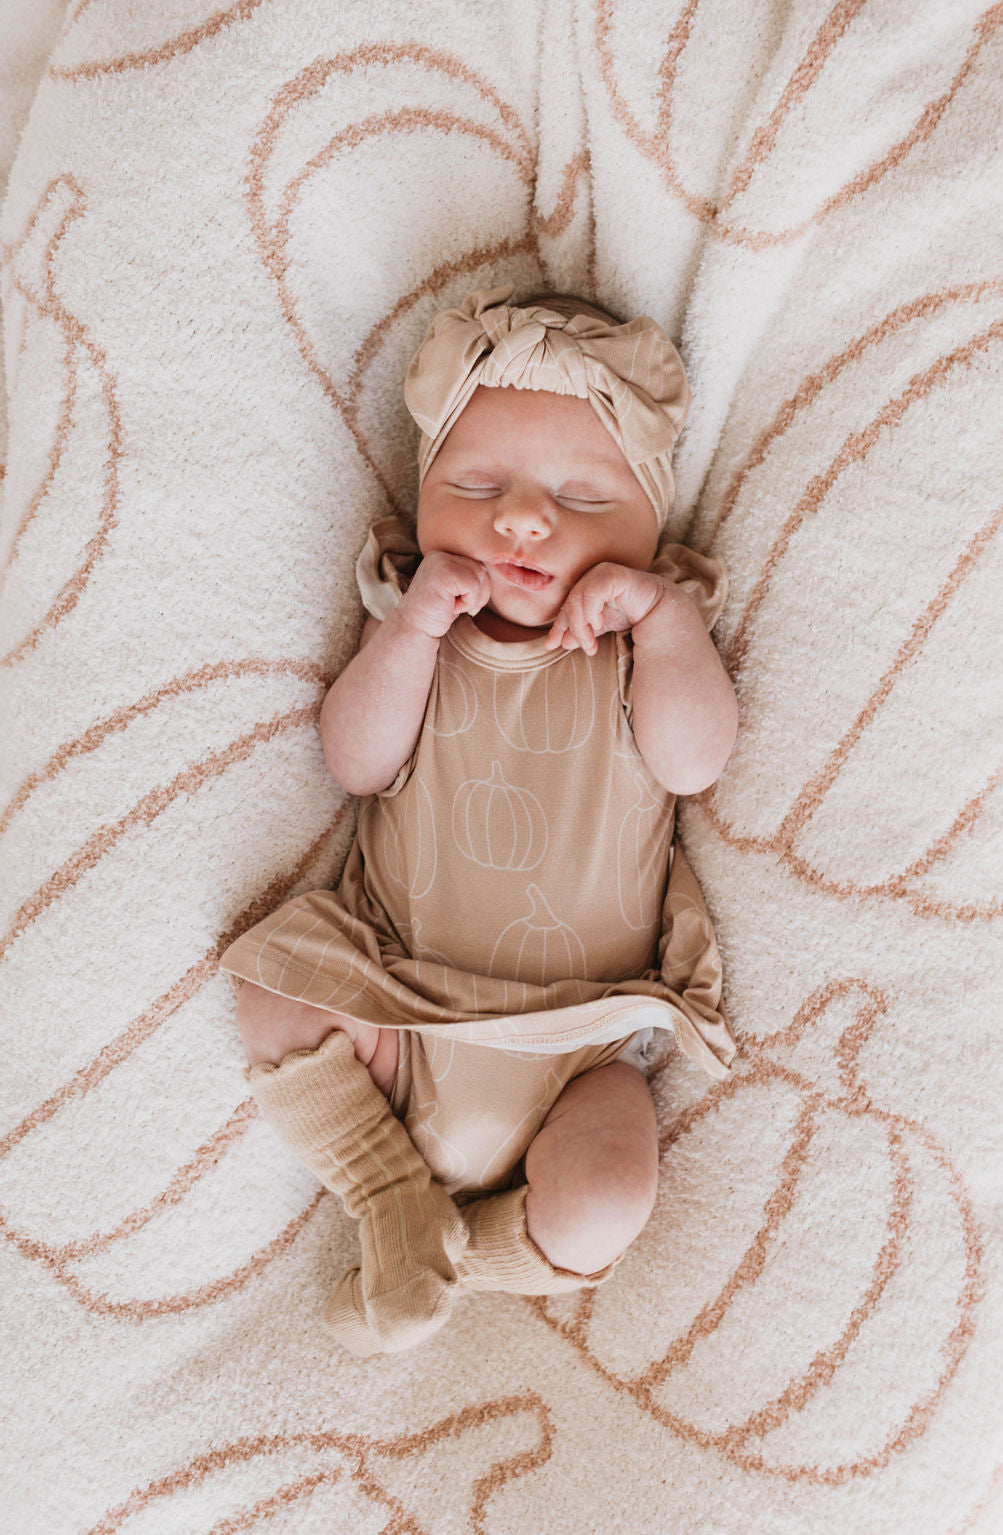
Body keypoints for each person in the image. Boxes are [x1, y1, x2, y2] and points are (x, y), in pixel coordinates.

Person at [220, 285, 739, 1355]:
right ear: (424, 500)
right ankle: (385, 1191)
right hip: (396, 1007)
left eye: (579, 497)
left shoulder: (639, 647)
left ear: (649, 523)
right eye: (477, 485)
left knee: (608, 1188)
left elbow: (695, 762)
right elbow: (354, 760)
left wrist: (669, 624)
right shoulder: (419, 629)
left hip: (577, 1046)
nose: (520, 518)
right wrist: (409, 631)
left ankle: (445, 1253)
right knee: (271, 974)